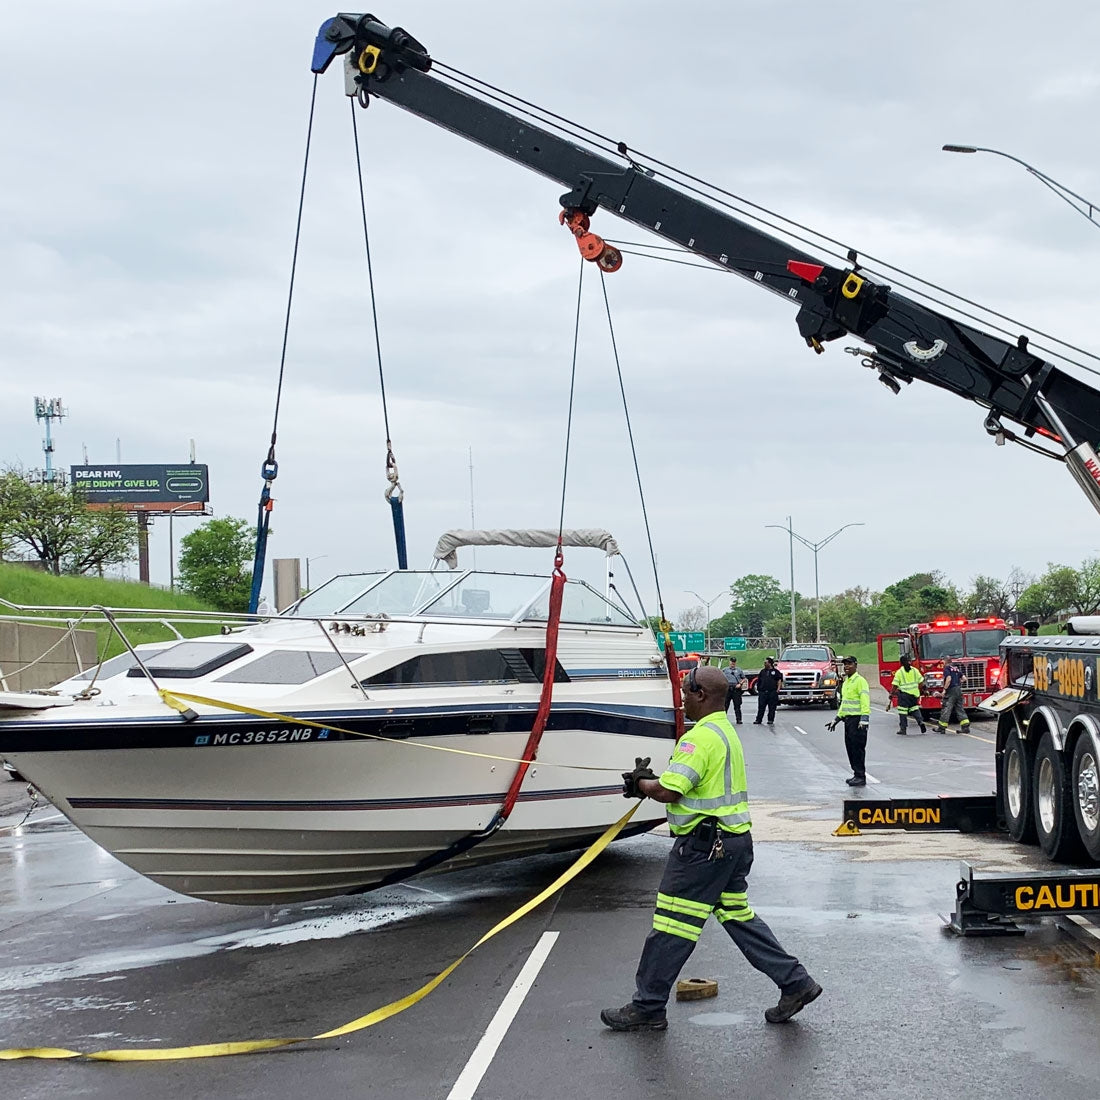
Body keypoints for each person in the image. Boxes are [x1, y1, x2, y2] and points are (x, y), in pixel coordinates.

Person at [601, 665, 821, 1032]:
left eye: (686, 691)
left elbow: (671, 791)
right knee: (738, 917)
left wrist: (641, 783)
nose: (683, 698)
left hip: (704, 850)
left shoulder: (698, 739)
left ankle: (648, 1006)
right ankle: (796, 983)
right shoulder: (724, 731)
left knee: (671, 925)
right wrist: (648, 782)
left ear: (700, 693)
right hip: (734, 844)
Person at [827, 655, 870, 785]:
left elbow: (865, 701)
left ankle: (860, 776)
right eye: (845, 664)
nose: (846, 667)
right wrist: (837, 719)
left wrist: (864, 719)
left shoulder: (860, 681)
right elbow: (845, 704)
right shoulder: (846, 683)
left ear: (856, 665)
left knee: (858, 749)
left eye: (849, 664)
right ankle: (856, 773)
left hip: (858, 721)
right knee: (850, 749)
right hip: (848, 721)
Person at [890, 653, 927, 735]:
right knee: (914, 709)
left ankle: (903, 729)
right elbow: (921, 682)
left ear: (901, 663)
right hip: (914, 695)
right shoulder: (915, 671)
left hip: (904, 696)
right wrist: (923, 690)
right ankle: (920, 721)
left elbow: (895, 685)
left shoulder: (899, 672)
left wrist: (891, 693)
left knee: (903, 712)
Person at [937, 655, 970, 734]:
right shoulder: (956, 669)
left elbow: (948, 679)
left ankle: (942, 727)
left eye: (943, 661)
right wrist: (958, 683)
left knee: (946, 708)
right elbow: (964, 679)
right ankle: (965, 727)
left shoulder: (947, 669)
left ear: (945, 661)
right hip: (958, 690)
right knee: (960, 708)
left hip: (951, 690)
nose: (943, 663)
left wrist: (944, 689)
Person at [753, 656, 783, 726]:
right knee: (761, 707)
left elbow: (779, 680)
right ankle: (758, 720)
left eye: (766, 663)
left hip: (772, 692)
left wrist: (778, 689)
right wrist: (759, 689)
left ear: (770, 663)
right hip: (763, 692)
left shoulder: (776, 672)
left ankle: (770, 720)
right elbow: (759, 680)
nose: (764, 664)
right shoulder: (762, 671)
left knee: (772, 707)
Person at [722, 657, 747, 723]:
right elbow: (720, 677)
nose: (732, 663)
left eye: (734, 662)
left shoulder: (739, 670)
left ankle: (738, 719)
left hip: (736, 689)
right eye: (731, 662)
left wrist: (740, 684)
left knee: (737, 705)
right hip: (728, 689)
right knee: (725, 705)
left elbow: (744, 678)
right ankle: (723, 719)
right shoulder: (725, 670)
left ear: (735, 663)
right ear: (729, 662)